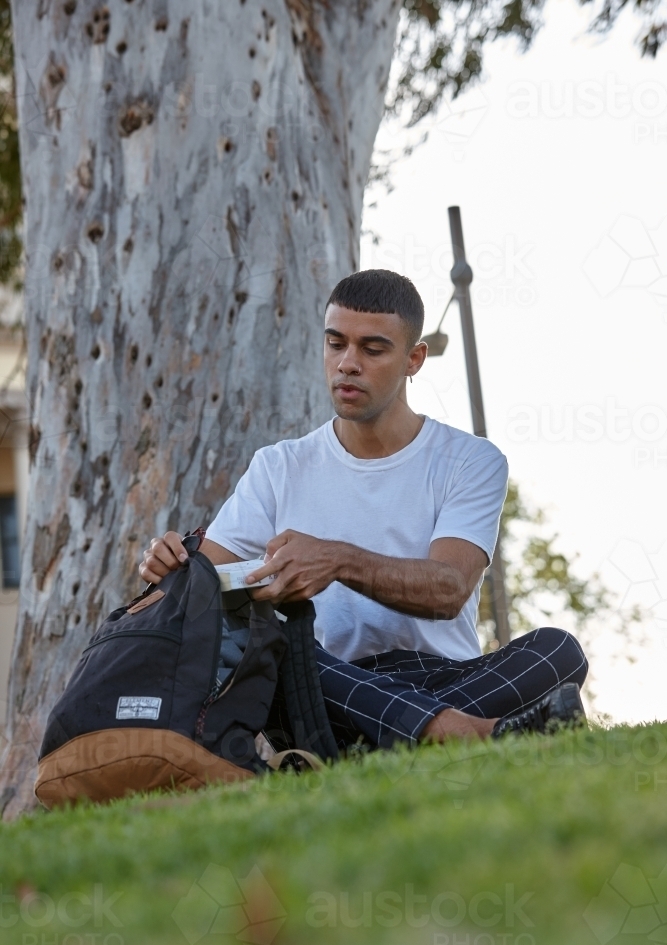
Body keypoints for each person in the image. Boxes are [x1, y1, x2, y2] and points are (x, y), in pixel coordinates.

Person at [140, 269, 588, 749]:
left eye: (372, 350)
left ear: (414, 359)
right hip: (327, 685)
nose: (347, 364)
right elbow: (204, 591)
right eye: (336, 344)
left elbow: (448, 588)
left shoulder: (471, 461)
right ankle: (458, 733)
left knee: (558, 649)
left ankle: (383, 741)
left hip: (448, 678)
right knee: (275, 643)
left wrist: (337, 560)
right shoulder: (278, 466)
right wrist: (170, 569)